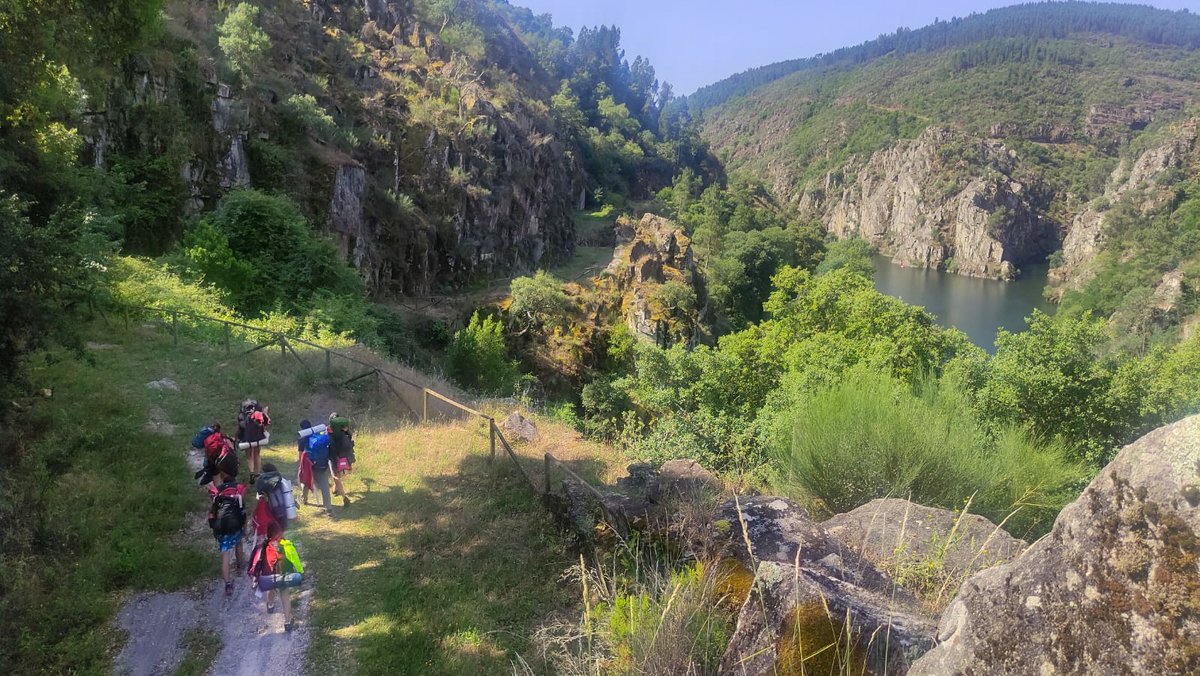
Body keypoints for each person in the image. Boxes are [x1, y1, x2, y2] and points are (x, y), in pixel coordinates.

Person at [249, 521, 304, 632]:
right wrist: (300, 571)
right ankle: (288, 621)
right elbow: (295, 560)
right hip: (283, 574)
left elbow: (258, 562)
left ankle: (270, 605)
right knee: (284, 594)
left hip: (269, 576)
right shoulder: (286, 544)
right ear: (279, 532)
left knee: (272, 588)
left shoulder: (264, 546)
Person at [208, 468, 246, 596]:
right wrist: (244, 526)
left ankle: (228, 584)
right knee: (238, 542)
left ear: (223, 480)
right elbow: (242, 510)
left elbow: (213, 510)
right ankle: (240, 567)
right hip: (234, 523)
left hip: (221, 526)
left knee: (225, 555)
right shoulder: (238, 489)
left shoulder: (217, 492)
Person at [237, 399, 271, 484]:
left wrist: (238, 437)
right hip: (258, 435)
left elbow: (240, 426)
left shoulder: (243, 413)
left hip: (247, 436)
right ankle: (257, 473)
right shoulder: (258, 413)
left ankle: (251, 472)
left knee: (249, 456)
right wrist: (265, 413)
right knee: (257, 454)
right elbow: (266, 423)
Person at [328, 412, 353, 507]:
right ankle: (335, 489)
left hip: (333, 456)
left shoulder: (328, 430)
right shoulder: (345, 431)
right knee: (337, 474)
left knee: (335, 476)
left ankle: (344, 497)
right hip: (343, 456)